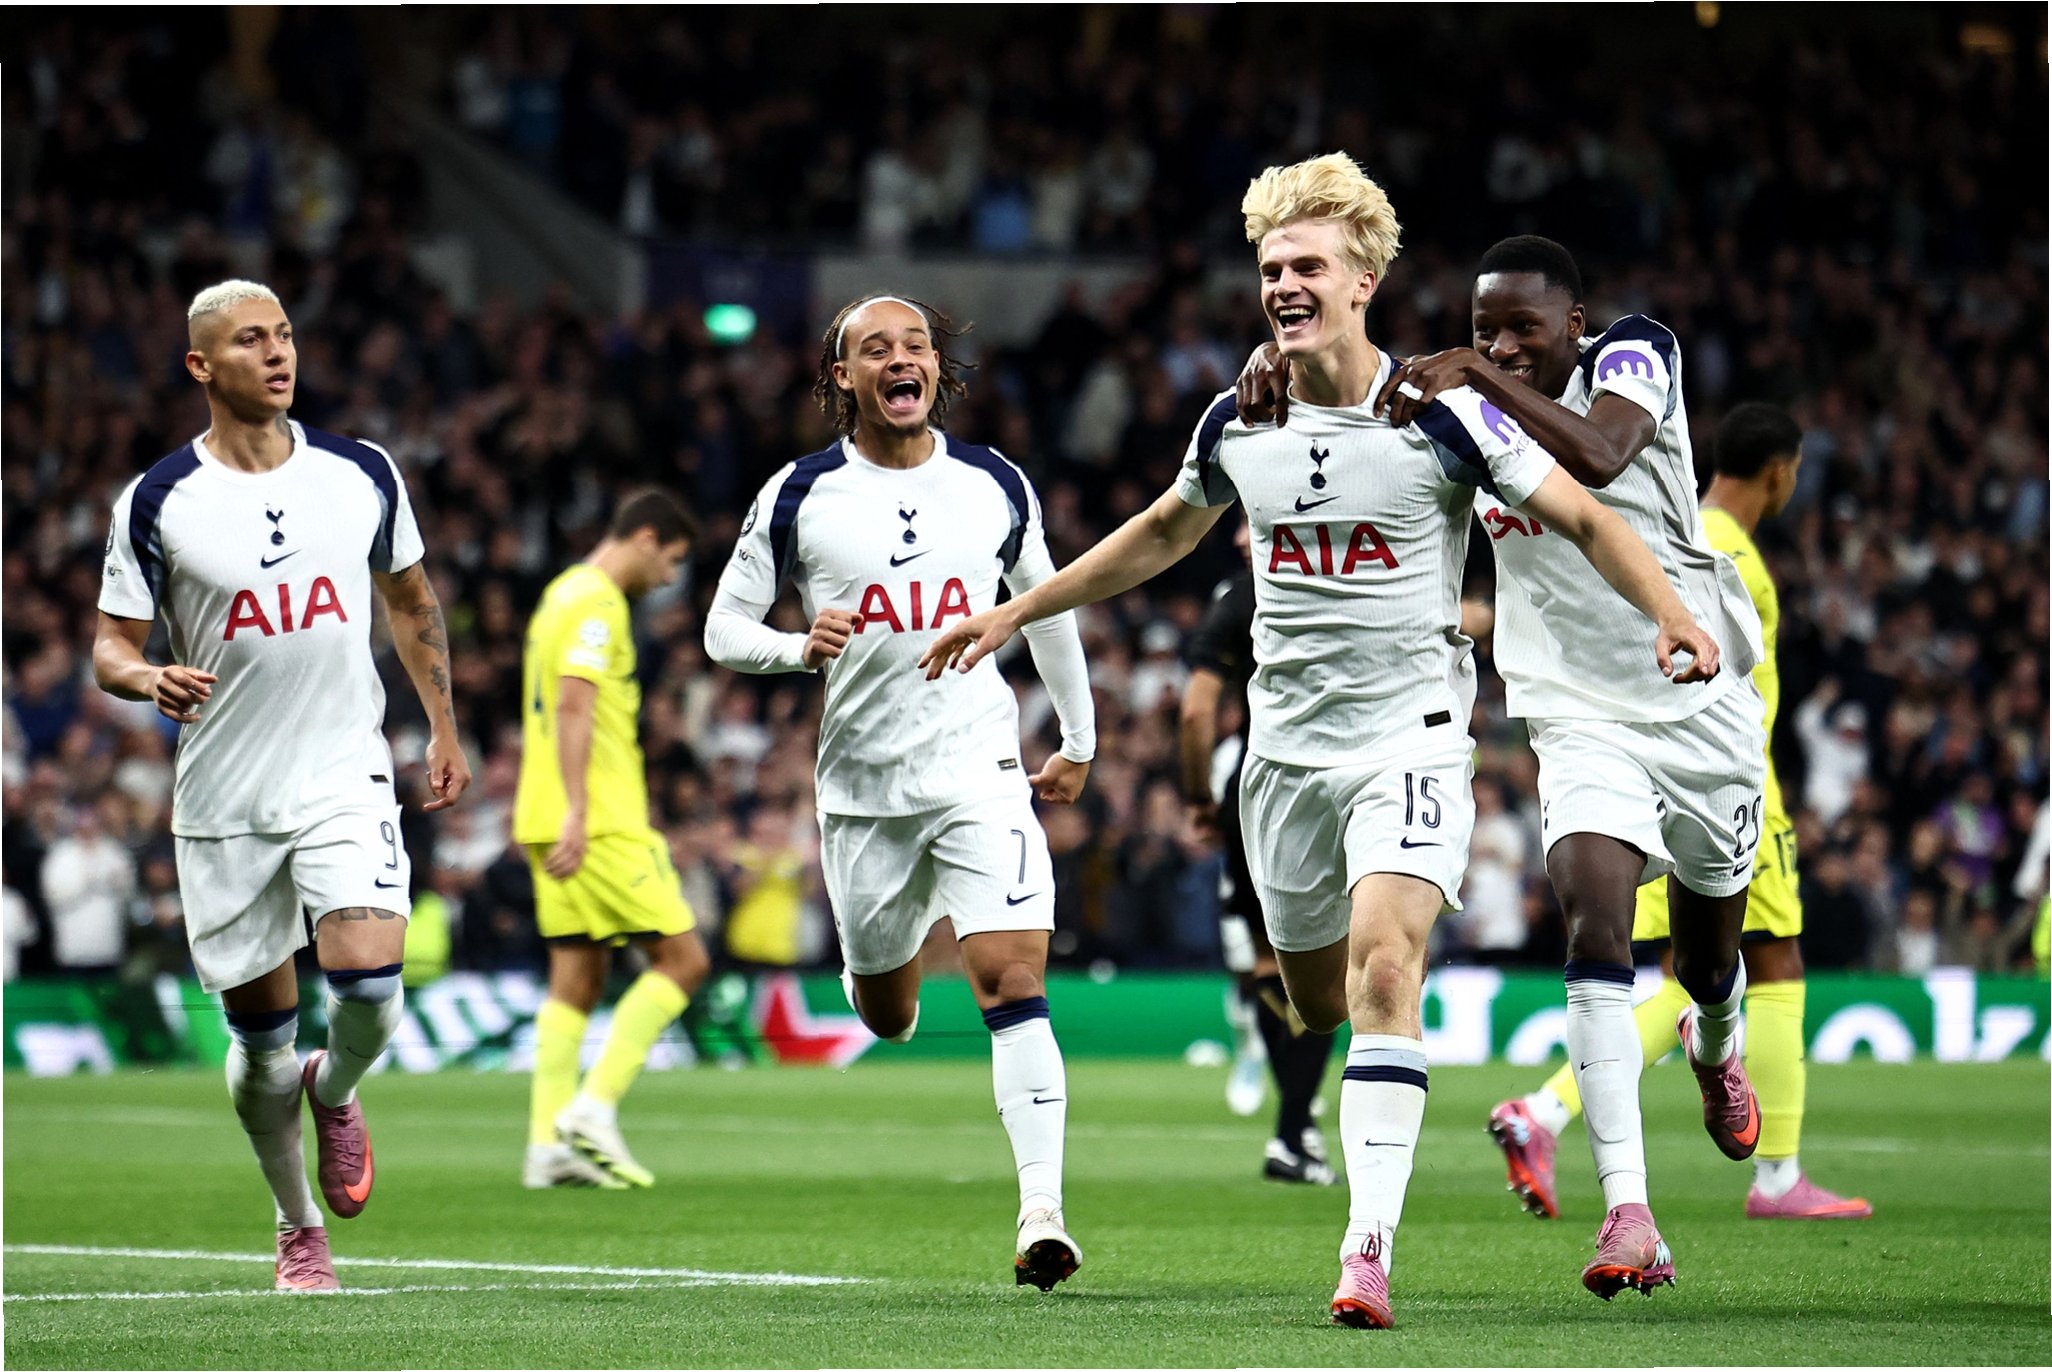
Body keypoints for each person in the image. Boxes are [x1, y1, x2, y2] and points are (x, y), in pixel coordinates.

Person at [924, 156, 1724, 1329]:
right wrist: (1018, 611)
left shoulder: (1440, 413)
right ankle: (1349, 1089)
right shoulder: (1239, 416)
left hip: (1413, 741)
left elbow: (1587, 514)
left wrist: (1672, 614)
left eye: (1307, 265)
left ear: (1364, 281)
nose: (1283, 285)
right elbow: (1161, 531)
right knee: (1315, 1000)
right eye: (1269, 269)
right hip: (1286, 758)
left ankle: (1367, 1252)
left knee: (1387, 971)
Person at [1239, 234, 1771, 1298]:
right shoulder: (1462, 410)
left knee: (1707, 958)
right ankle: (1631, 1210)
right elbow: (1360, 414)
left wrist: (1476, 375)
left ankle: (1716, 1041)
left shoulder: (1632, 351)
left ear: (1574, 322)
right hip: (1575, 716)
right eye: (1484, 330)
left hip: (1695, 693)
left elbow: (1603, 457)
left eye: (1524, 327)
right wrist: (1280, 369)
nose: (1502, 346)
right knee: (1592, 921)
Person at [703, 293, 1098, 1291]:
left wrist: (1079, 737)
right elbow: (722, 627)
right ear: (844, 377)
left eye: (914, 344)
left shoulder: (993, 482)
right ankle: (879, 976)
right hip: (865, 796)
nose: (899, 359)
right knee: (885, 1011)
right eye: (874, 349)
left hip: (979, 773)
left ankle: (1042, 1212)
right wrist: (797, 647)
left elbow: (1046, 609)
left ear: (937, 367)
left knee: (1013, 977)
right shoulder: (800, 494)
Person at [93, 279, 471, 1292]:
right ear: (200, 365)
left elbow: (411, 600)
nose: (277, 353)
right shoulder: (158, 499)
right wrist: (147, 677)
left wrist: (443, 725)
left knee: (372, 990)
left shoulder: (360, 471)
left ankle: (335, 1086)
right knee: (260, 1046)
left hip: (343, 770)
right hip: (225, 798)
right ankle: (298, 1226)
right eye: (250, 340)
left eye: (285, 334)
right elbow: (109, 646)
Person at [1483, 402, 1871, 1220]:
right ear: (1781, 471)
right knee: (1773, 966)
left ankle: (1544, 1112)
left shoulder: (1690, 523)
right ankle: (1776, 1177)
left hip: (1658, 778)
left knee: (1685, 978)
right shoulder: (1724, 546)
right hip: (1712, 781)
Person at [515, 487, 711, 1191]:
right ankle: (594, 1108)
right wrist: (578, 809)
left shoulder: (559, 595)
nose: (669, 577)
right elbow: (574, 704)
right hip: (596, 818)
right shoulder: (598, 604)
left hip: (542, 812)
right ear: (646, 537)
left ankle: (546, 1145)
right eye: (672, 560)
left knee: (577, 976)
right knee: (684, 960)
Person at [1179, 521, 1338, 1184]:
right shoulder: (1344, 581)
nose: (1243, 540)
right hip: (1348, 779)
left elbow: (1195, 711)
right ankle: (1294, 1131)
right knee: (1337, 967)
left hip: (1260, 785)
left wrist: (1200, 797)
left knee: (1276, 966)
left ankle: (1294, 1132)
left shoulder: (1239, 597)